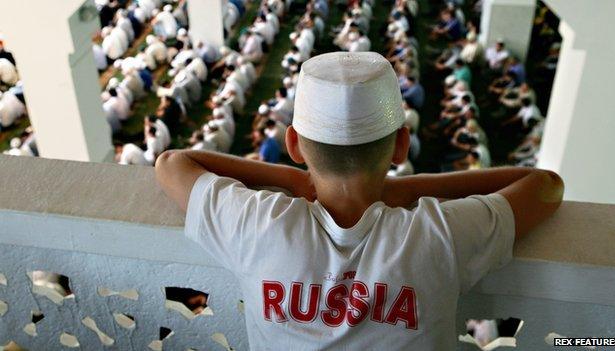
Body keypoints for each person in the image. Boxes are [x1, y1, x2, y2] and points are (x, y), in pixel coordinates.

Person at [155, 52, 564, 349]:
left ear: (293, 144)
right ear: (402, 145)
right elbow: (545, 184)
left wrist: (296, 181)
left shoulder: (258, 223)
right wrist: (407, 188)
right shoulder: (440, 233)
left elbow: (173, 162)